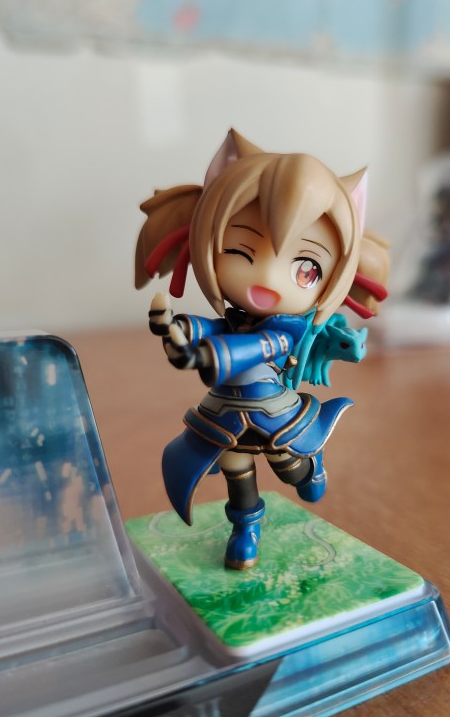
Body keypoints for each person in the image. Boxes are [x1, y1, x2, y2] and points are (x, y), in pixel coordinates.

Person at [135, 129, 388, 569]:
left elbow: (256, 347)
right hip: (226, 412)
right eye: (240, 251)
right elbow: (214, 326)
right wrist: (178, 327)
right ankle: (245, 530)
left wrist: (208, 358)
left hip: (274, 412)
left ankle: (311, 467)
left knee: (288, 467)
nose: (267, 281)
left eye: (306, 269)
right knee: (235, 468)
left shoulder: (287, 329)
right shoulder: (236, 318)